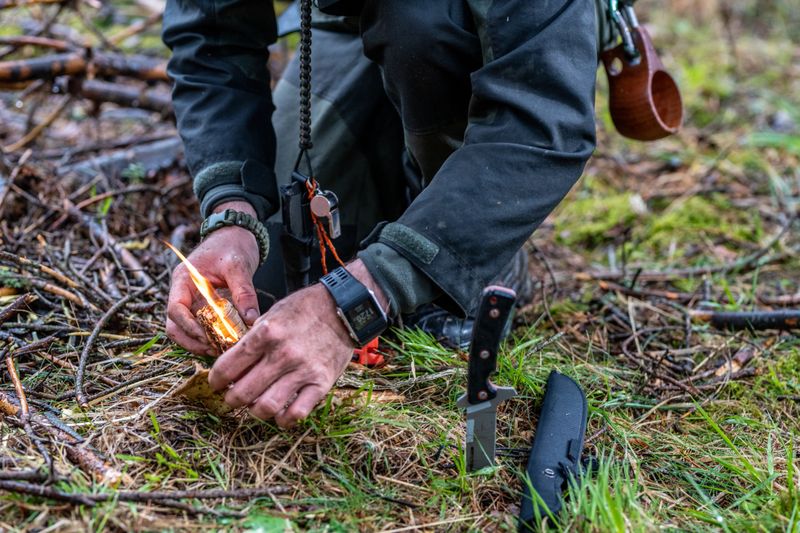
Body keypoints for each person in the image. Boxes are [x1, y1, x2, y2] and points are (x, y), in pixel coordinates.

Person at [162, 0, 614, 428]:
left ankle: (475, 262)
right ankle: (418, 224)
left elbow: (542, 122)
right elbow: (212, 35)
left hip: (479, 32)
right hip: (347, 24)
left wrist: (353, 303)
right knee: (276, 283)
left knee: (420, 23)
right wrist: (233, 212)